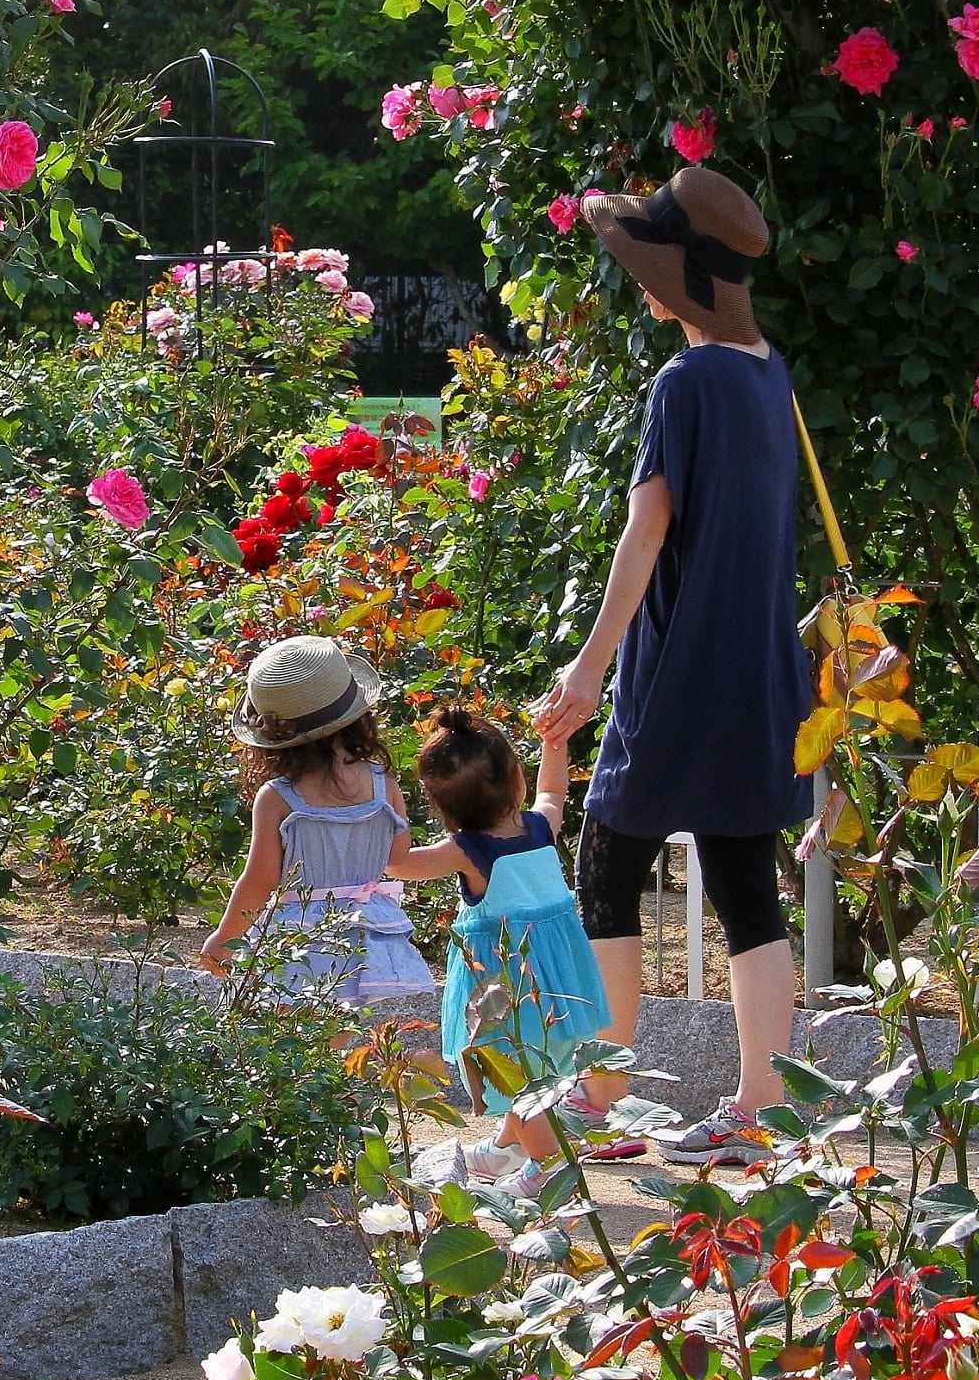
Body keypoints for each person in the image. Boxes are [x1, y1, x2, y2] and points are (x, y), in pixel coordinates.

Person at [532, 166, 810, 1168]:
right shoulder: (768, 370)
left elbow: (645, 535)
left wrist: (587, 668)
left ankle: (598, 1105)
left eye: (647, 269)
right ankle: (756, 1108)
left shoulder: (683, 382)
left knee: (605, 871)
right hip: (760, 674)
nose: (639, 283)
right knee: (745, 890)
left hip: (677, 674)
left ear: (674, 283)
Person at [386, 707, 619, 1200]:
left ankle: (550, 1168)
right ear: (517, 778)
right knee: (540, 1068)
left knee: (514, 1075)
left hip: (506, 994)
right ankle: (506, 1149)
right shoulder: (540, 827)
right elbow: (554, 793)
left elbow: (398, 864)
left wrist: (390, 799)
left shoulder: (468, 851)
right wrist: (555, 743)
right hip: (560, 985)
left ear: (440, 805)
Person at [198, 636, 438, 1000]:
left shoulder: (278, 798)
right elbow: (397, 858)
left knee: (284, 1043)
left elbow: (260, 881)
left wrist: (225, 938)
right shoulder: (381, 783)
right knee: (343, 1043)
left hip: (298, 941)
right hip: (362, 936)